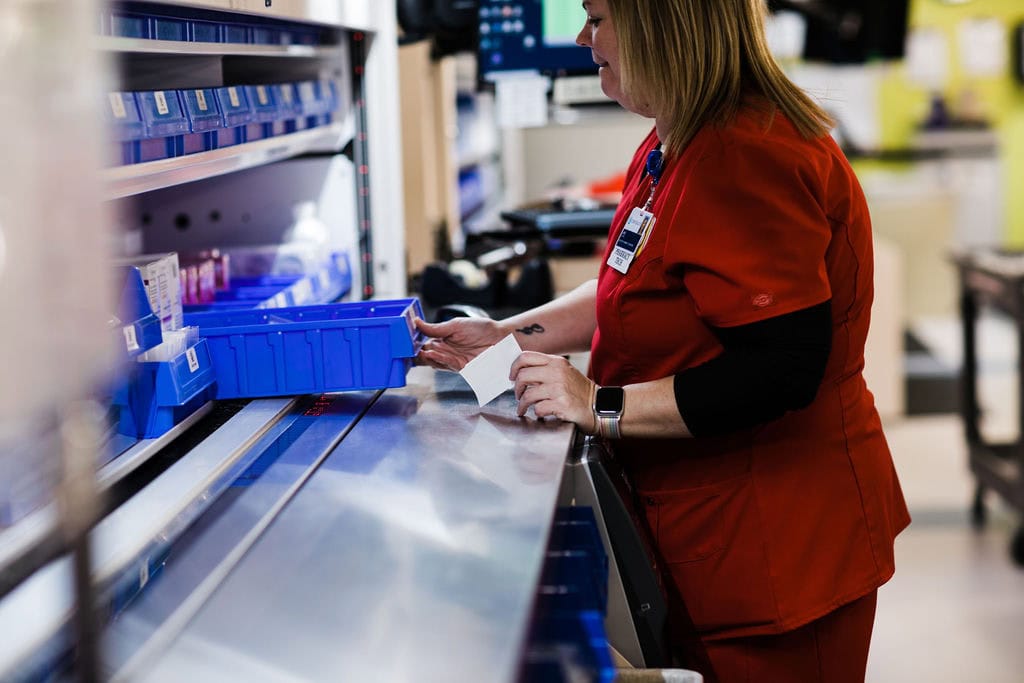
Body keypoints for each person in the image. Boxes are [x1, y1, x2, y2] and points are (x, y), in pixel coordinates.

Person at [415, 0, 910, 680]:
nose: (583, 38)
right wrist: (506, 333)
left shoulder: (746, 155)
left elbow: (781, 368)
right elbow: (631, 288)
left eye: (596, 17)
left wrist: (600, 403)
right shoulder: (674, 140)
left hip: (777, 546)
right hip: (707, 529)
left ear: (659, 23)